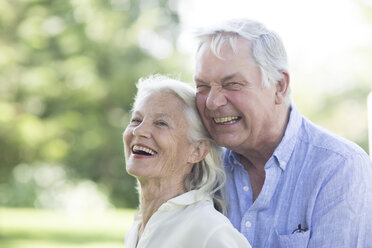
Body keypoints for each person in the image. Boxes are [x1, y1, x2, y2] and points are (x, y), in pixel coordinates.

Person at [194, 18, 372, 248]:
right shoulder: (203, 166)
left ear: (279, 85)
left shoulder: (340, 167)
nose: (212, 102)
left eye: (232, 84)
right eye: (202, 87)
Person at [123, 75, 251, 248]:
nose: (139, 130)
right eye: (136, 120)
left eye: (161, 123)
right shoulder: (139, 227)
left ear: (197, 151)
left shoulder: (208, 230)